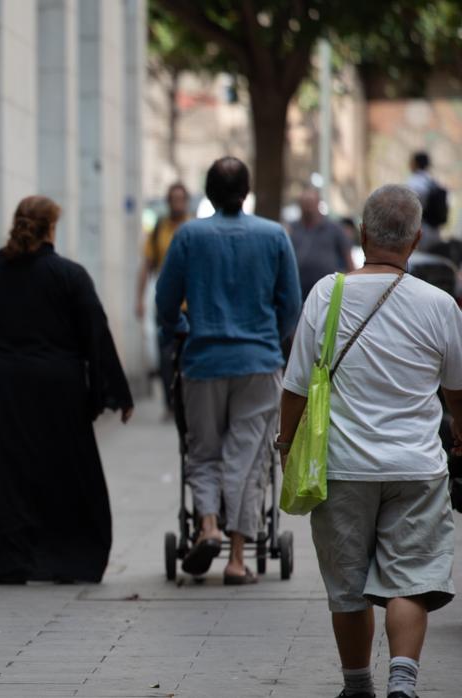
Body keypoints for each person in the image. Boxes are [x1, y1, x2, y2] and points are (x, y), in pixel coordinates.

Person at [278, 184, 462, 698]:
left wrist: (285, 442)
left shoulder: (326, 294)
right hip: (417, 468)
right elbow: (458, 391)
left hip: (341, 469)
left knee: (349, 588)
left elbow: (294, 388)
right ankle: (402, 683)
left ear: (360, 236)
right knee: (409, 583)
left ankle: (358, 687)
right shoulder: (440, 305)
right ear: (416, 239)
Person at [0, 196, 134, 585]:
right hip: (58, 392)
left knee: (6, 478)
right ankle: (67, 560)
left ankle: (10, 561)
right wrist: (114, 393)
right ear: (51, 229)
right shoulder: (69, 275)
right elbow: (96, 333)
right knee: (64, 474)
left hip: (1, 390)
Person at [155, 156, 302, 584]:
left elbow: (166, 302)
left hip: (203, 361)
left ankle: (208, 526)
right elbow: (290, 304)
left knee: (202, 451)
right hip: (258, 364)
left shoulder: (189, 236)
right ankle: (238, 559)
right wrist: (269, 340)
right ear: (246, 189)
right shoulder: (274, 236)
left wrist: (181, 328)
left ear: (208, 191)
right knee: (249, 457)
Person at [136, 183, 192, 413]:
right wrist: (139, 298)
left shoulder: (195, 227)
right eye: (173, 199)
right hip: (167, 302)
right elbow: (146, 266)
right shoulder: (158, 229)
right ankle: (170, 402)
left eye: (181, 199)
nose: (177, 204)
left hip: (192, 304)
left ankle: (187, 400)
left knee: (189, 354)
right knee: (166, 353)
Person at [290, 187, 354, 298]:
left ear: (318, 203)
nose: (308, 207)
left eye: (311, 203)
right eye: (305, 203)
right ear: (300, 205)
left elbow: (348, 260)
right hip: (298, 293)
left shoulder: (334, 229)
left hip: (328, 294)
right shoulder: (292, 229)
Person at [406, 151, 446, 247]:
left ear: (415, 163)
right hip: (435, 232)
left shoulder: (415, 182)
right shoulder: (433, 182)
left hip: (419, 230)